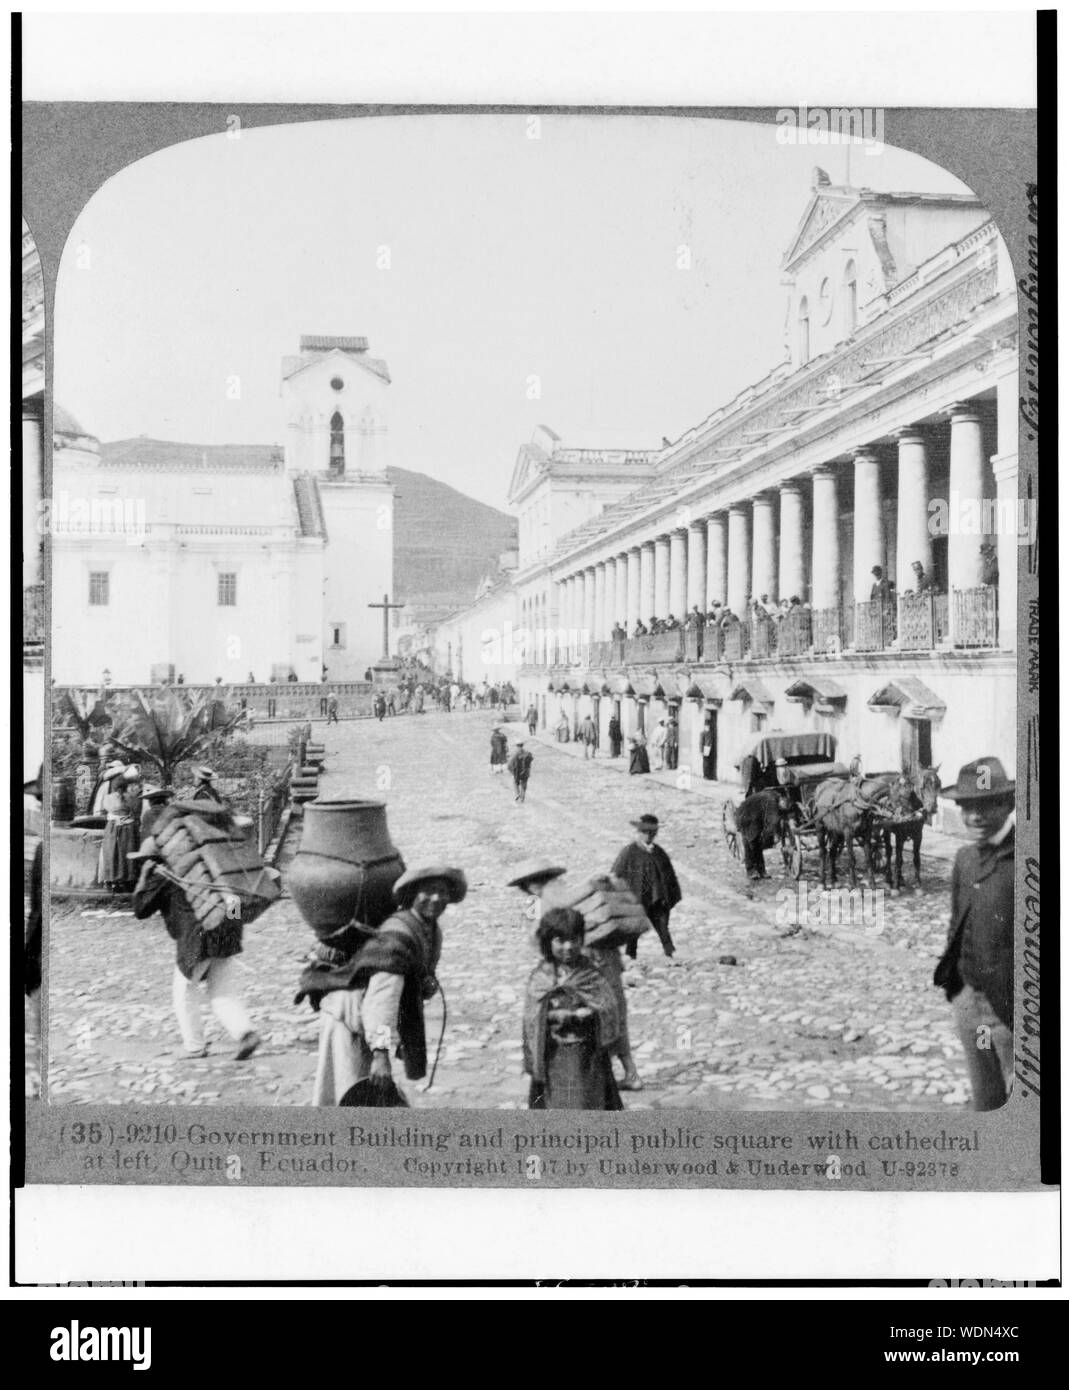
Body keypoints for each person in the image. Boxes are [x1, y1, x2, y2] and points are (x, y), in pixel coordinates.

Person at [299, 866, 467, 1106]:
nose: (437, 898)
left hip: (367, 1021)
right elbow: (382, 1000)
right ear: (411, 895)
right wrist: (381, 1055)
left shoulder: (428, 929)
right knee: (350, 1097)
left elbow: (413, 977)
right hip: (351, 1021)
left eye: (443, 892)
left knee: (361, 1100)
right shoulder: (396, 938)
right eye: (428, 892)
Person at [508, 858, 646, 1092]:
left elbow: (538, 932)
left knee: (593, 1016)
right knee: (613, 1012)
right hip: (605, 957)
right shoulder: (557, 890)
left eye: (526, 884)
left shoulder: (550, 894)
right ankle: (628, 1072)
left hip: (589, 963)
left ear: (531, 883)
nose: (525, 889)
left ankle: (603, 1075)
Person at [131, 836, 261, 1061]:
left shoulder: (163, 876)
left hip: (197, 940)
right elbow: (234, 903)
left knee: (183, 993)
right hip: (228, 931)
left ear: (154, 859)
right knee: (221, 993)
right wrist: (233, 930)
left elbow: (140, 909)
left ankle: (194, 1046)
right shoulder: (205, 868)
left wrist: (144, 876)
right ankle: (246, 1033)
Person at [934, 757, 1015, 1111]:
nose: (976, 817)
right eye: (967, 807)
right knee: (987, 1097)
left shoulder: (1029, 859)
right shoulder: (965, 858)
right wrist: (958, 990)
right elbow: (957, 923)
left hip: (1012, 1013)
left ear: (1009, 804)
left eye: (986, 805)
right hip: (970, 1004)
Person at [523, 908, 623, 1110]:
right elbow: (532, 1016)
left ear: (582, 939)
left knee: (584, 1101)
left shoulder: (590, 975)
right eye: (560, 940)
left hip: (585, 1056)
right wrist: (552, 1015)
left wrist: (592, 1013)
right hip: (553, 1056)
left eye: (574, 939)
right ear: (548, 943)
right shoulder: (541, 977)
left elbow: (608, 1007)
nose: (568, 947)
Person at [612, 815, 682, 962]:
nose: (649, 836)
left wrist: (667, 895)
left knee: (662, 925)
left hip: (657, 898)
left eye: (652, 833)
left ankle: (669, 952)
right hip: (637, 899)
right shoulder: (629, 852)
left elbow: (668, 875)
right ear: (639, 832)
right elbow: (616, 873)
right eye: (645, 832)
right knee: (634, 928)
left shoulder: (659, 852)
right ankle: (631, 955)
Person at [99, 763, 141, 892]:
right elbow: (136, 811)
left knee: (112, 853)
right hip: (128, 828)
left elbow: (103, 810)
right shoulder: (132, 798)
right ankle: (127, 880)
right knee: (126, 853)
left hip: (112, 828)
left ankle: (112, 880)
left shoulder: (108, 798)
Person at [701, 715, 716, 780]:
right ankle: (705, 775)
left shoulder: (710, 733)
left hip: (710, 749)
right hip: (705, 749)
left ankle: (709, 775)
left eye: (708, 726)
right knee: (705, 763)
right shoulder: (703, 733)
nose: (708, 727)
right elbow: (701, 742)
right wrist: (701, 750)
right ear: (705, 726)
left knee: (709, 762)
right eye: (706, 726)